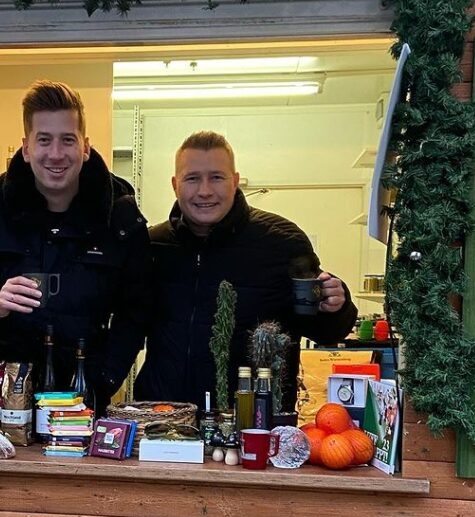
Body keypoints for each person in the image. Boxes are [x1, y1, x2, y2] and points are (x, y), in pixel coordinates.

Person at [0, 80, 150, 410]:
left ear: (85, 147)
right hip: (1, 400)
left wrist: (105, 376)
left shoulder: (120, 216)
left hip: (85, 400)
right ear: (26, 148)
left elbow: (139, 310)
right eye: (44, 140)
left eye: (67, 140)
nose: (56, 154)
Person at [134, 131, 358, 412]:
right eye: (192, 178)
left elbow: (325, 331)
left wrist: (336, 306)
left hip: (254, 423)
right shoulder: (153, 245)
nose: (205, 190)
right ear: (175, 184)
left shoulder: (282, 242)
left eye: (217, 177)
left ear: (235, 181)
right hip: (166, 420)